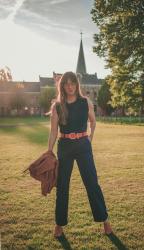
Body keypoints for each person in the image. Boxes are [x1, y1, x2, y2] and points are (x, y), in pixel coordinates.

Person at [47, 71, 113, 238]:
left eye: (72, 83)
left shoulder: (85, 102)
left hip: (83, 146)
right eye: (66, 83)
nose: (70, 86)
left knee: (92, 183)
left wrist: (89, 139)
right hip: (65, 146)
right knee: (62, 186)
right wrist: (49, 151)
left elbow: (93, 121)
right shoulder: (58, 106)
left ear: (77, 85)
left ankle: (104, 220)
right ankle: (59, 224)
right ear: (62, 86)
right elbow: (54, 131)